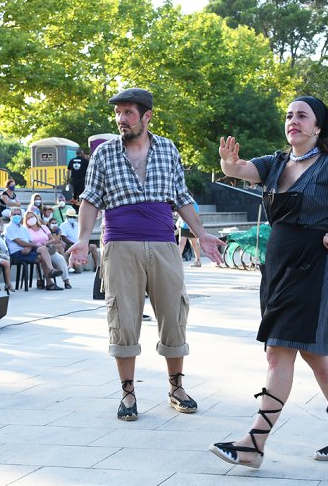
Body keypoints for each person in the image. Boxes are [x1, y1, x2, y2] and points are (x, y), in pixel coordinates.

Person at [210, 96, 328, 468]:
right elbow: (242, 169)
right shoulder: (275, 163)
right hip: (277, 264)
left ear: (318, 127)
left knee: (280, 350)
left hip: (314, 263)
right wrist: (229, 163)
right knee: (314, 352)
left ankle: (254, 443)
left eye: (302, 116)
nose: (293, 121)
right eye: (289, 116)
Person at [68, 87, 224, 422]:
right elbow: (91, 199)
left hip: (164, 242)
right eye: (118, 113)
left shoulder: (167, 148)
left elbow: (181, 195)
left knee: (174, 314)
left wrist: (202, 234)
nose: (121, 119)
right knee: (122, 318)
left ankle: (176, 388)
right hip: (120, 244)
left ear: (147, 116)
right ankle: (127, 392)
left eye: (128, 113)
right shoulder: (104, 154)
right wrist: (83, 239)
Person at [4, 207, 61, 290]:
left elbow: (30, 241)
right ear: (10, 216)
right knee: (42, 256)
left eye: (18, 214)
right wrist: (34, 246)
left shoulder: (23, 228)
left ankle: (51, 271)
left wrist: (30, 247)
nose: (17, 216)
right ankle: (50, 283)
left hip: (27, 250)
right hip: (17, 253)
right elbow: (19, 242)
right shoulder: (8, 228)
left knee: (43, 249)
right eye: (14, 214)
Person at [24, 209, 70, 289]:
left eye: (32, 217)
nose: (31, 219)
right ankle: (46, 278)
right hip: (36, 250)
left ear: (36, 217)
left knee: (60, 259)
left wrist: (47, 243)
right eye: (28, 218)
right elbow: (27, 242)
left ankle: (66, 281)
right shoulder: (26, 230)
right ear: (26, 221)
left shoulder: (43, 227)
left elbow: (52, 239)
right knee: (41, 257)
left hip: (48, 248)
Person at [177, 201, 202, 267]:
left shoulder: (194, 204)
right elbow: (179, 214)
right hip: (183, 226)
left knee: (194, 243)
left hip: (192, 226)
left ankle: (198, 260)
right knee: (181, 243)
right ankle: (177, 261)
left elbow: (196, 215)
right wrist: (179, 222)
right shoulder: (181, 203)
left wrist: (194, 227)